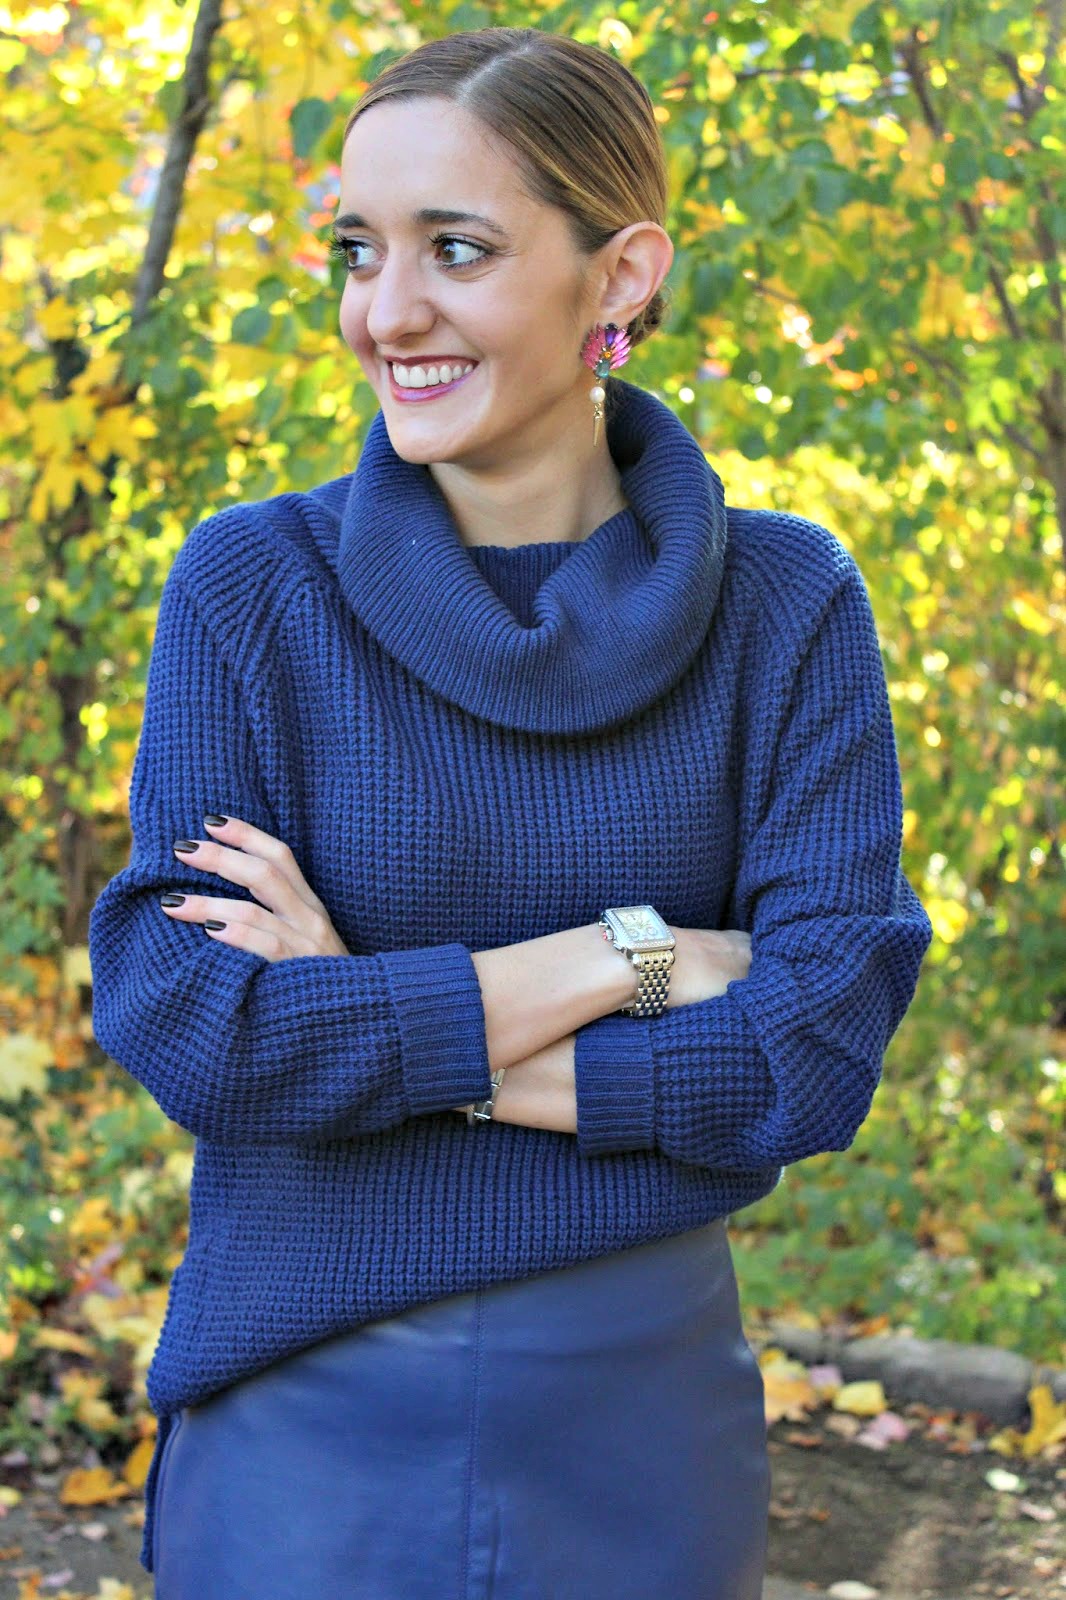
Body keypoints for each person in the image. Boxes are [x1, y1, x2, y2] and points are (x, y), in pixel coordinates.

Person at [87, 25, 934, 1599]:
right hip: (300, 1417)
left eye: (455, 250)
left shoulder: (786, 602)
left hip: (639, 1426)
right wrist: (631, 956)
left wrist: (372, 1015)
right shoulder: (253, 585)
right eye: (359, 249)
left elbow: (810, 1056)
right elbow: (192, 1025)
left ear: (620, 273)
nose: (386, 310)